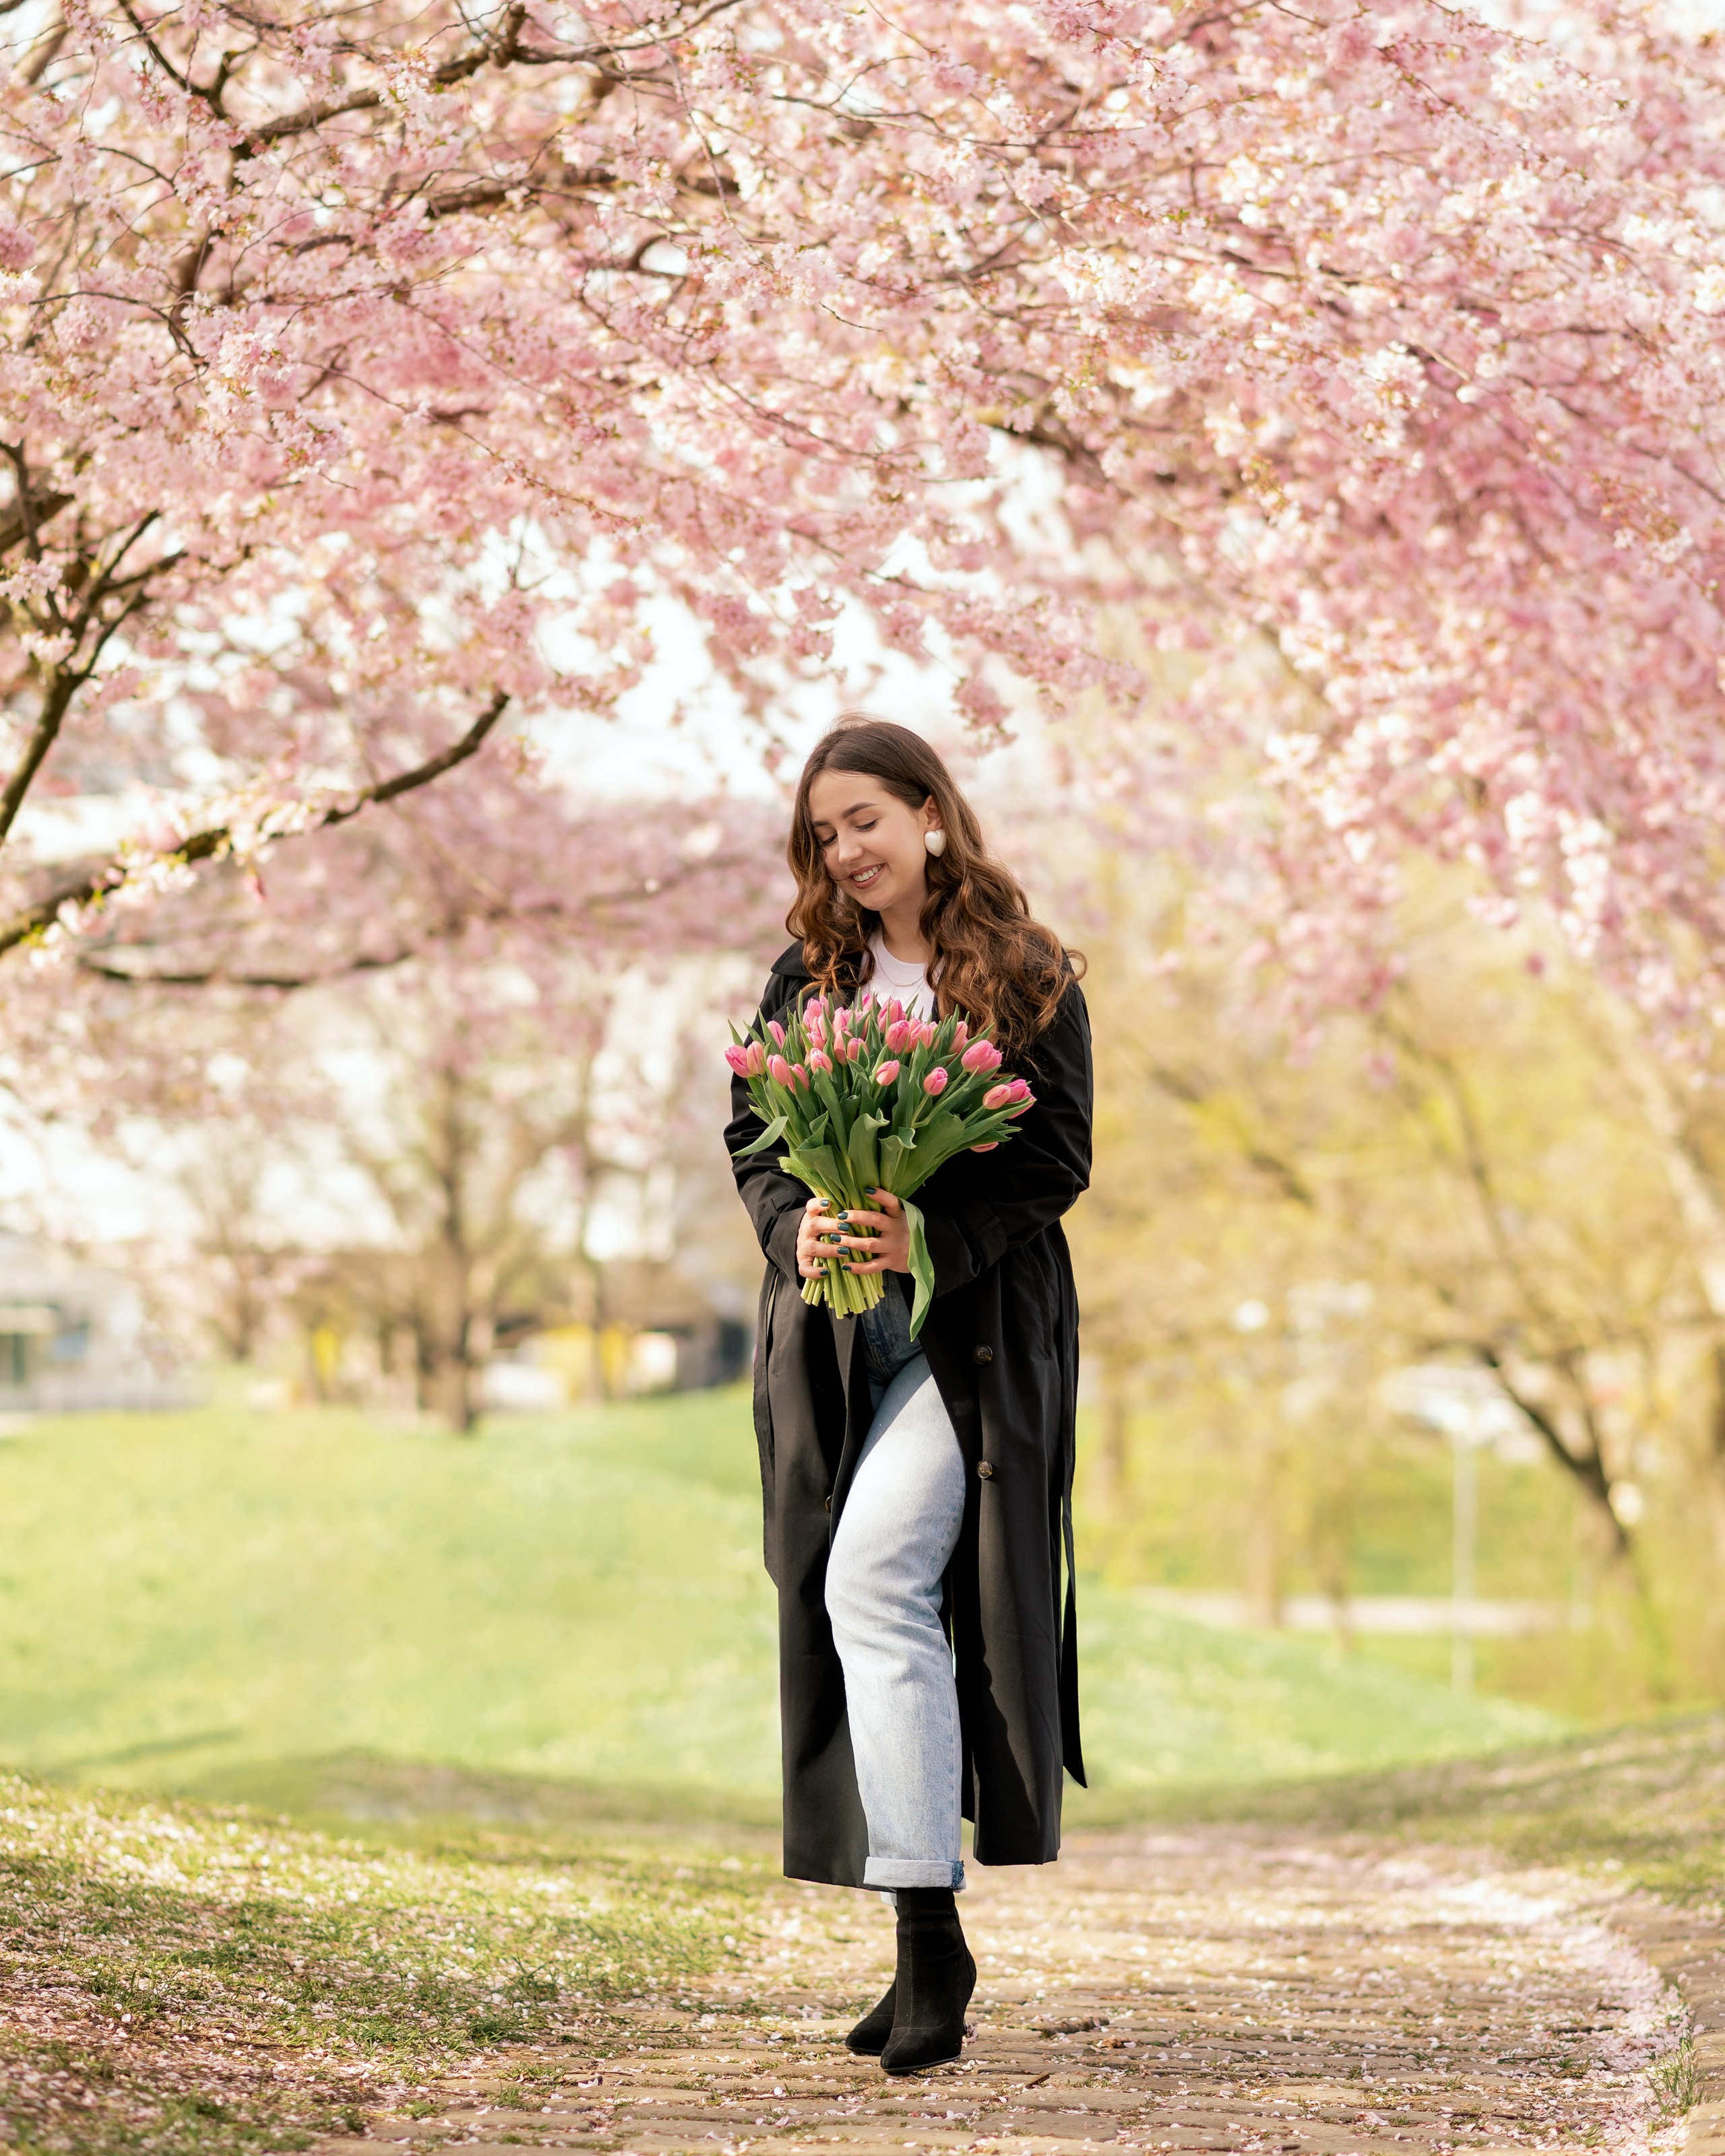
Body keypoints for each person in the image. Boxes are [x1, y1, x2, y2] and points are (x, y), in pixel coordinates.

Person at [724, 717, 1094, 2076]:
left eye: (864, 820)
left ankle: (930, 1944)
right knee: (849, 1600)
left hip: (968, 1339)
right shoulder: (807, 977)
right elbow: (754, 1140)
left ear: (931, 813)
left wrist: (925, 1233)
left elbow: (1057, 1158)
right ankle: (923, 1940)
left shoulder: (1024, 971)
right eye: (823, 833)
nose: (843, 851)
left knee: (874, 1581)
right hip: (830, 1348)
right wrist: (801, 1228)